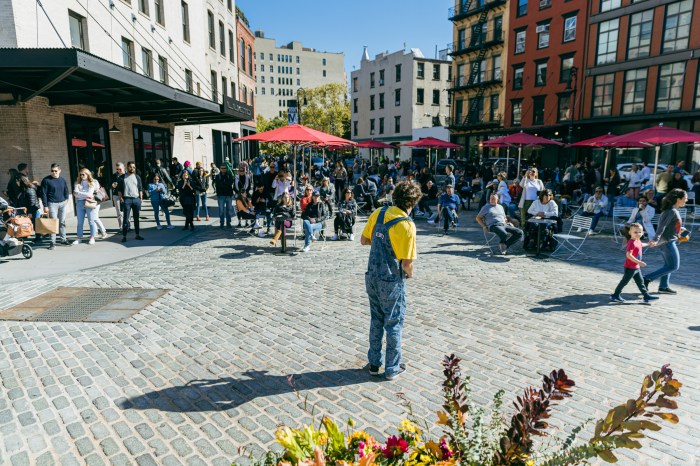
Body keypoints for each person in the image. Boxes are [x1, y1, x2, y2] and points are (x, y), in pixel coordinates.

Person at [361, 181, 423, 380]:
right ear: (412, 202)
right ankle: (392, 368)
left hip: (372, 276)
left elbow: (364, 240)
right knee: (394, 323)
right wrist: (410, 275)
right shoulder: (406, 225)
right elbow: (407, 264)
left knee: (376, 319)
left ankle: (373, 363)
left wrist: (380, 238)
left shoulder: (378, 213)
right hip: (391, 280)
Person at [644, 189, 688, 294]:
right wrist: (655, 239)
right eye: (685, 198)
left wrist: (679, 228)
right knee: (673, 266)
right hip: (667, 243)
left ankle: (663, 286)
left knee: (667, 265)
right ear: (678, 199)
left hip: (668, 241)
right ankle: (646, 278)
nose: (686, 200)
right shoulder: (671, 211)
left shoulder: (673, 210)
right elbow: (662, 226)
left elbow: (669, 225)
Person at [609, 223, 659, 304]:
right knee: (624, 282)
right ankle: (615, 295)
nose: (638, 234)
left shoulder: (637, 240)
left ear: (642, 233)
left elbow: (640, 245)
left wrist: (648, 244)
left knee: (641, 282)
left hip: (636, 267)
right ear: (630, 233)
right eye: (635, 232)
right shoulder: (631, 243)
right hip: (630, 267)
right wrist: (639, 262)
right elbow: (628, 255)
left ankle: (646, 296)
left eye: (640, 232)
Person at [40, 163, 70, 249]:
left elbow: (66, 190)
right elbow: (43, 194)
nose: (54, 172)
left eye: (56, 171)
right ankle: (52, 242)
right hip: (52, 204)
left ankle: (63, 239)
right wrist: (45, 206)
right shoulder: (46, 180)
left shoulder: (62, 180)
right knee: (53, 223)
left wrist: (66, 199)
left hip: (62, 204)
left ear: (59, 171)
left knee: (62, 222)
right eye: (52, 171)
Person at [117, 161, 144, 242]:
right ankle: (124, 236)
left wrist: (140, 199)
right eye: (130, 167)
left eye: (133, 167)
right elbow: (119, 190)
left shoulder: (137, 177)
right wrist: (121, 198)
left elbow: (140, 188)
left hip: (136, 199)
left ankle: (137, 235)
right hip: (127, 200)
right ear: (127, 167)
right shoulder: (122, 177)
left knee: (136, 218)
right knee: (126, 219)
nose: (132, 168)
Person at [73, 168, 98, 245]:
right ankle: (79, 238)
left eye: (83, 174)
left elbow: (89, 194)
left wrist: (79, 193)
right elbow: (75, 194)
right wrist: (83, 194)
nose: (82, 176)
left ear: (87, 174)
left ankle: (92, 237)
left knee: (91, 221)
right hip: (80, 203)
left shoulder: (91, 183)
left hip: (89, 202)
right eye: (80, 174)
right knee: (80, 222)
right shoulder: (77, 183)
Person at [111, 163, 125, 230]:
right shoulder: (114, 176)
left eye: (120, 169)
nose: (118, 170)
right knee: (119, 212)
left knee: (127, 211)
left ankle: (128, 226)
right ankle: (121, 227)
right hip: (116, 195)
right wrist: (113, 185)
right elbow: (111, 185)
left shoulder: (127, 175)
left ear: (123, 168)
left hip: (126, 195)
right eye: (117, 169)